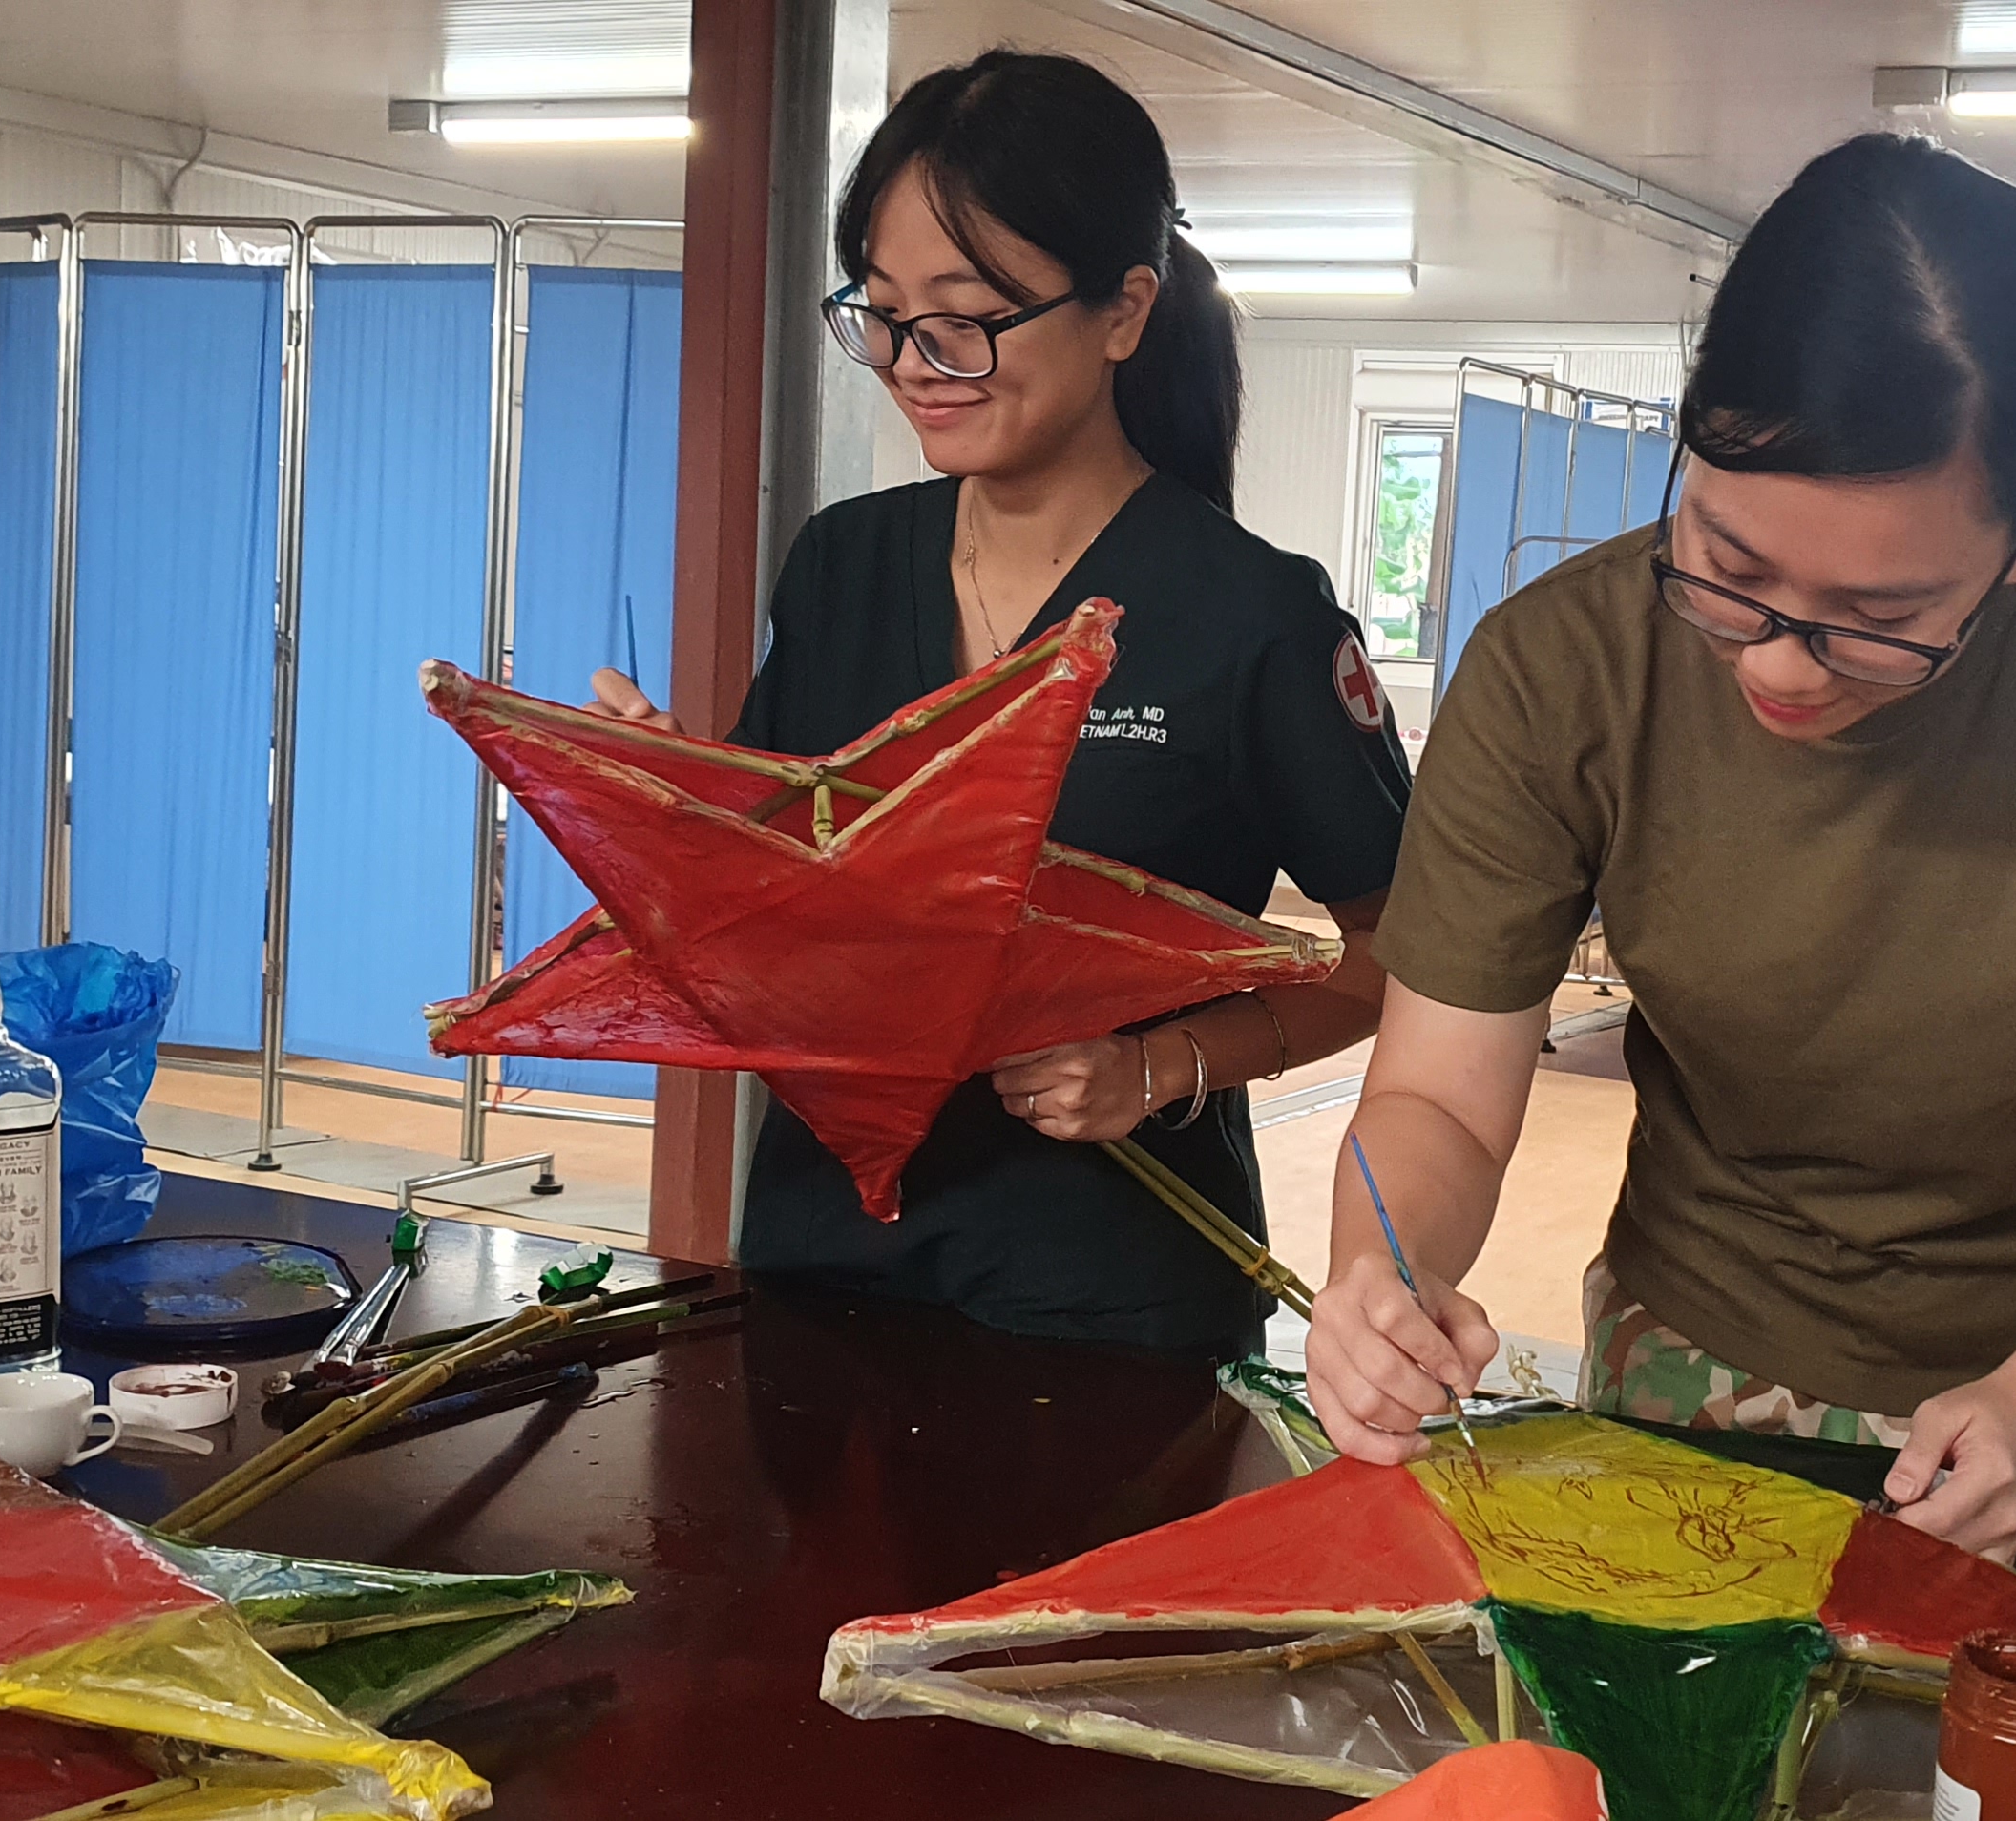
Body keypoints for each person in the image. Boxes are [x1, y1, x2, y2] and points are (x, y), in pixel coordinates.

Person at [1304, 135, 2016, 1574]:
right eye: (1729, 569)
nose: (1786, 666)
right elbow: (1440, 1095)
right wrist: (1383, 1274)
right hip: (1699, 1341)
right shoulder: (1562, 670)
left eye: (1878, 614)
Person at [590, 51, 1408, 1357]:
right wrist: (668, 816)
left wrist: (1161, 1068)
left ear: (1125, 311)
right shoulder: (846, 563)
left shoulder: (1251, 616)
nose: (917, 362)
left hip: (1113, 1297)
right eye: (882, 312)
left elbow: (1403, 963)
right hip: (820, 1253)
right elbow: (774, 912)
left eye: (967, 316)